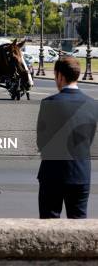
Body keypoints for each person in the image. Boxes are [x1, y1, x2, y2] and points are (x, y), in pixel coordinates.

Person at [36, 57, 98, 219]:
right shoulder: (92, 104)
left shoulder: (48, 103)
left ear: (60, 76)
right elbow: (89, 139)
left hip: (52, 173)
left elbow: (41, 142)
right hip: (80, 173)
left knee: (48, 226)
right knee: (78, 225)